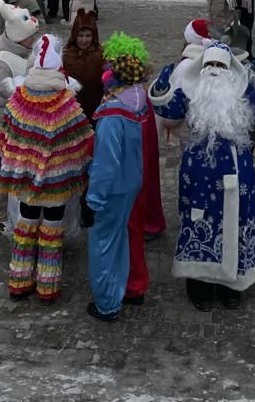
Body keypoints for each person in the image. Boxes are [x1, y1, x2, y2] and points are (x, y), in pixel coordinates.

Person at [149, 40, 255, 310]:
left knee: (238, 223)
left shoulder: (242, 92)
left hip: (237, 174)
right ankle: (199, 285)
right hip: (200, 176)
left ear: (229, 69)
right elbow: (168, 109)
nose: (214, 70)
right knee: (199, 222)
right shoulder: (190, 92)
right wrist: (161, 90)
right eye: (209, 64)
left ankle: (232, 286)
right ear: (201, 67)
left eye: (219, 65)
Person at [0, 33, 94, 301]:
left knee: (25, 225)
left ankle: (19, 280)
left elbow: (4, 136)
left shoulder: (18, 99)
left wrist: (3, 165)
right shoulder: (66, 101)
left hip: (25, 180)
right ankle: (48, 285)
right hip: (56, 183)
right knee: (52, 229)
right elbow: (83, 141)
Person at [85, 33, 150, 322]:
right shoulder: (137, 104)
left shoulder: (112, 115)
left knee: (102, 244)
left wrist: (93, 198)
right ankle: (120, 288)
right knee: (119, 239)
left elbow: (105, 163)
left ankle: (106, 303)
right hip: (130, 184)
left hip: (111, 190)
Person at [0, 0, 40, 235]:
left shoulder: (23, 53)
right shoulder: (3, 62)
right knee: (1, 174)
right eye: (29, 38)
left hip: (16, 127)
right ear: (17, 37)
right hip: (0, 129)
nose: (33, 40)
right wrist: (5, 132)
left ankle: (9, 213)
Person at [62, 9, 104, 122]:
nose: (84, 40)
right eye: (80, 35)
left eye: (88, 35)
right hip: (70, 111)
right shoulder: (65, 54)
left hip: (95, 109)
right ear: (74, 35)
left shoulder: (101, 54)